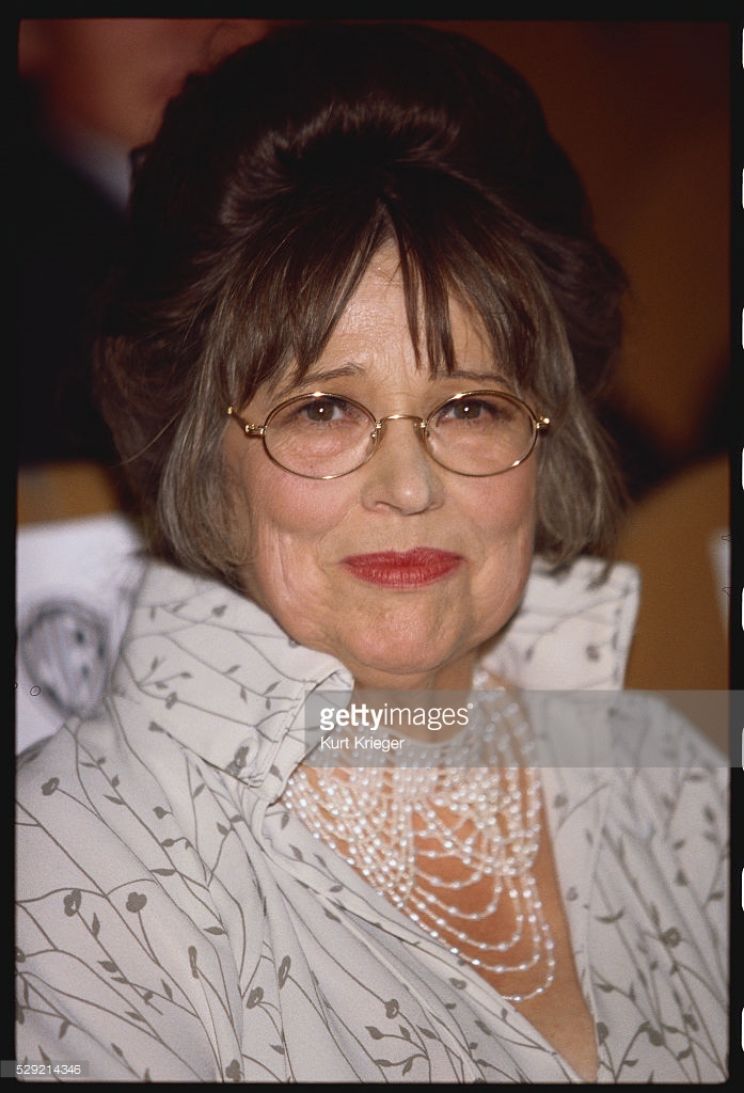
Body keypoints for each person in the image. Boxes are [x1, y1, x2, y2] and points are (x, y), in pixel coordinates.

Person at [15, 22, 727, 1083]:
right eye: (324, 409)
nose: (410, 486)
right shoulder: (68, 868)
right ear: (203, 453)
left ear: (549, 438)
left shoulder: (676, 771)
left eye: (471, 406)